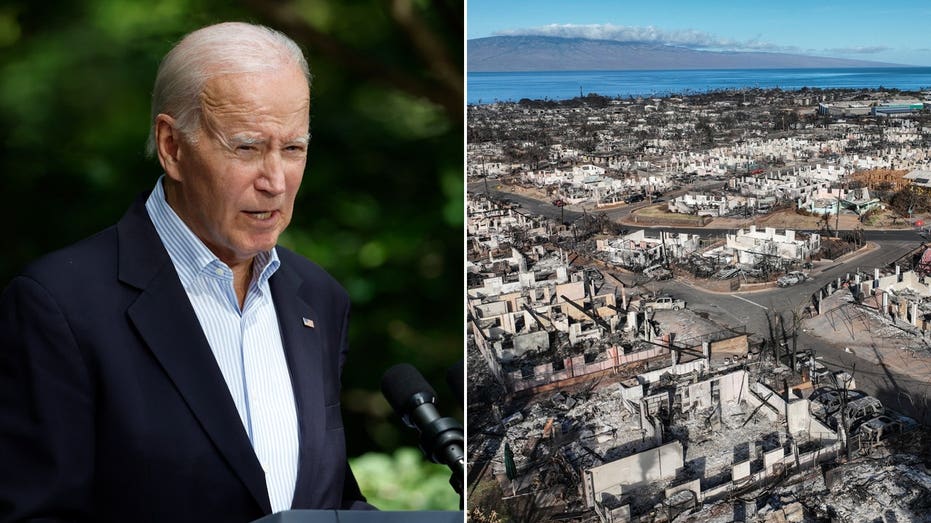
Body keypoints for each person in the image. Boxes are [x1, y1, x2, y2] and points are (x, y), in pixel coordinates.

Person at [0, 22, 373, 521]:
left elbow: (327, 499)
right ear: (172, 146)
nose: (275, 182)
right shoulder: (60, 305)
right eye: (246, 148)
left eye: (293, 149)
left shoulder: (320, 300)